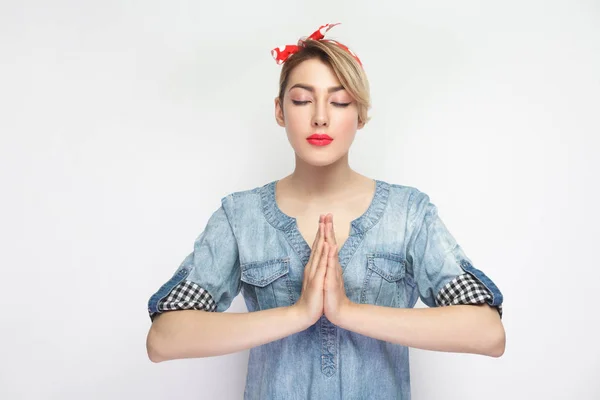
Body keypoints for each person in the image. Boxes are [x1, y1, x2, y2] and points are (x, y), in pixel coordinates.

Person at [145, 23, 505, 399]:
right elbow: (165, 338)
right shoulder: (241, 216)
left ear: (361, 114)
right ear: (280, 110)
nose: (320, 117)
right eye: (302, 100)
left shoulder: (408, 214)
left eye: (340, 102)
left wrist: (346, 311)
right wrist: (298, 313)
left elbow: (488, 333)